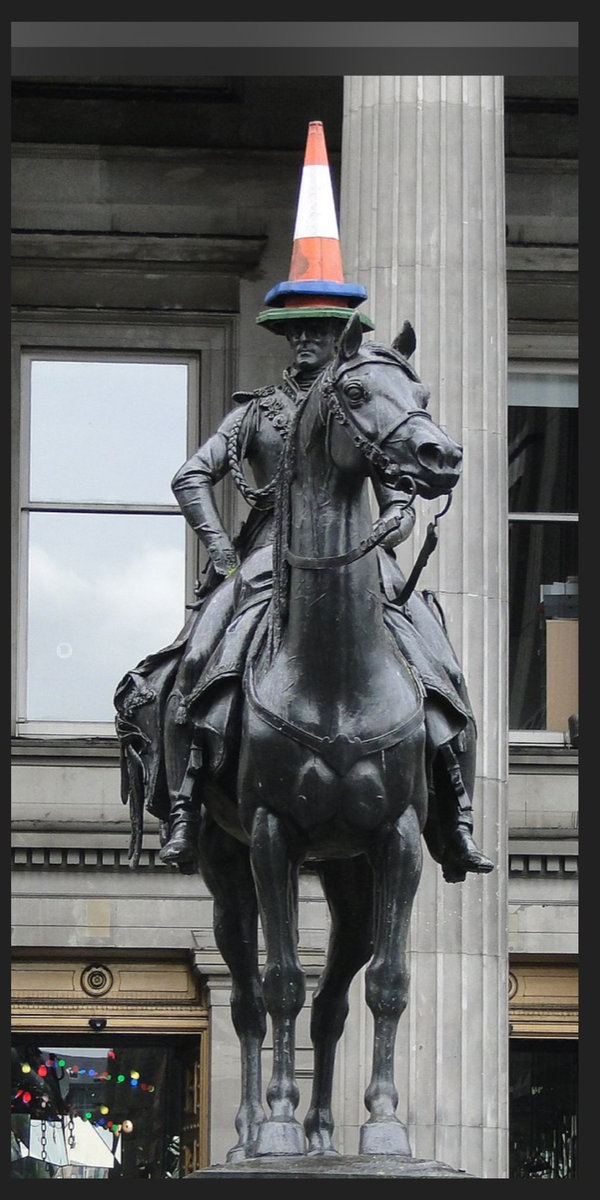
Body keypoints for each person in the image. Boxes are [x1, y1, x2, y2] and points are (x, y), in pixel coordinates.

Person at [114, 312, 493, 884]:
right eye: (300, 331)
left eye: (320, 331)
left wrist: (396, 518)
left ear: (341, 343)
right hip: (269, 556)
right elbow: (191, 476)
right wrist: (221, 552)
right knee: (194, 662)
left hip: (362, 558)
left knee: (445, 667)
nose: (308, 341)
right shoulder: (256, 413)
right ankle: (185, 806)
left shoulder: (368, 399)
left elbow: (397, 490)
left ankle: (456, 817)